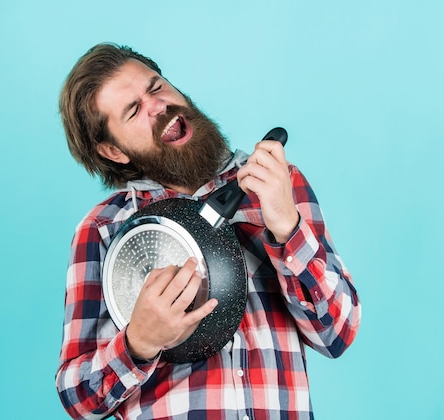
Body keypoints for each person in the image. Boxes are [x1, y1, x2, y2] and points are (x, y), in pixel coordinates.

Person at [56, 42, 361, 420]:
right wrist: (138, 343)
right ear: (114, 151)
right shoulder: (104, 230)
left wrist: (287, 228)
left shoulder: (275, 184)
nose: (158, 105)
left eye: (156, 87)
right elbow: (78, 398)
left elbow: (338, 334)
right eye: (133, 110)